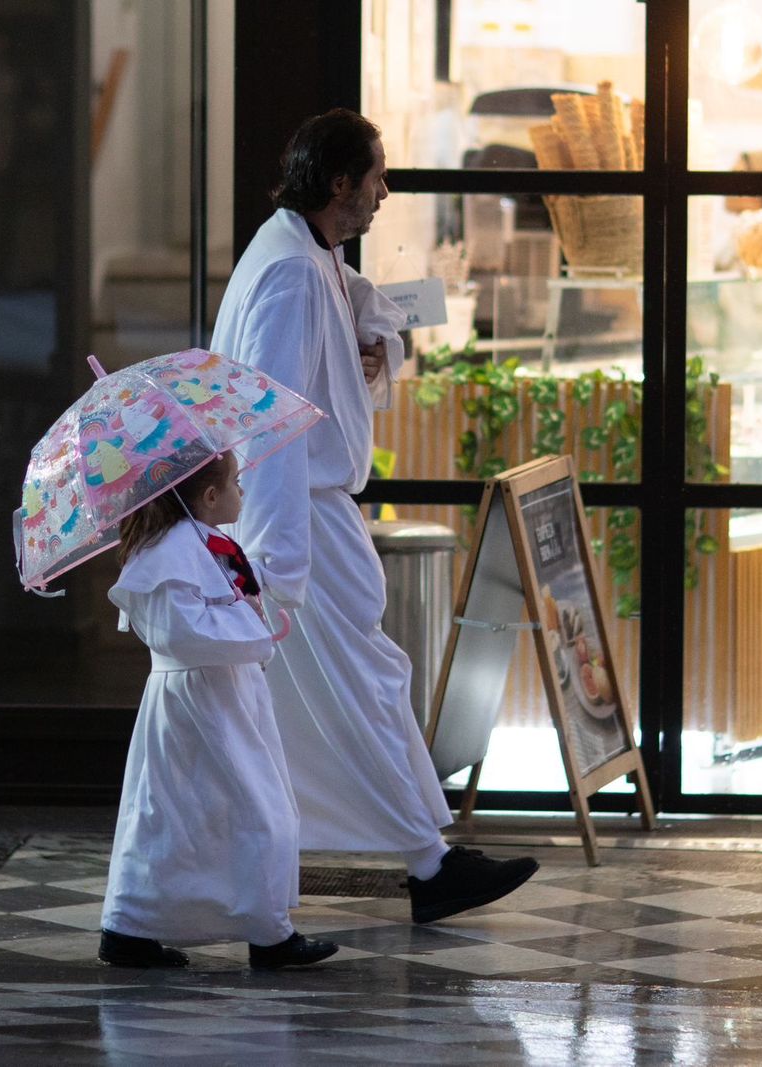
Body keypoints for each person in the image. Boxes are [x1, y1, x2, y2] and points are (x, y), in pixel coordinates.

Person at [210, 109, 539, 924]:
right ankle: (429, 863)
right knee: (359, 694)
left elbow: (364, 303)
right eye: (377, 179)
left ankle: (419, 858)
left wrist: (377, 341)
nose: (385, 194)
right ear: (338, 183)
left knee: (358, 693)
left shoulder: (306, 250)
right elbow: (274, 423)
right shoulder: (289, 272)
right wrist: (280, 561)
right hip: (299, 525)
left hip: (310, 519)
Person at [97, 451, 338, 970]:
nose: (243, 494)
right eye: (235, 483)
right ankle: (265, 935)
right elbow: (179, 632)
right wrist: (252, 630)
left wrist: (246, 616)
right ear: (209, 497)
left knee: (193, 814)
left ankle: (136, 928)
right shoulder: (170, 552)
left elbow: (216, 610)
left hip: (224, 695)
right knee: (241, 810)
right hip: (198, 702)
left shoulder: (200, 545)